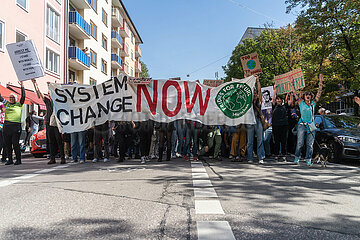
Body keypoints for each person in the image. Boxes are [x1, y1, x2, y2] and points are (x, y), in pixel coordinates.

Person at [291, 74, 324, 166]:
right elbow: (295, 93)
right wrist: (292, 83)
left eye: (309, 95)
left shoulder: (313, 104)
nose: (308, 96)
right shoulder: (300, 103)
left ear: (311, 97)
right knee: (300, 143)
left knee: (310, 144)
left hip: (311, 125)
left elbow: (319, 93)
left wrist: (320, 82)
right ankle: (297, 157)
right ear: (304, 96)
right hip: (301, 124)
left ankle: (308, 159)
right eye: (306, 95)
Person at [32, 79, 65, 164]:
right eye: (49, 94)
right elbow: (39, 94)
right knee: (51, 141)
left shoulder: (58, 101)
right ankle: (52, 158)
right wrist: (35, 84)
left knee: (59, 140)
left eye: (51, 93)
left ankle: (62, 157)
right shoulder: (47, 101)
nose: (50, 95)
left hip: (57, 123)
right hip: (49, 123)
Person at [0, 82, 25, 165]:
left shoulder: (19, 104)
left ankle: (18, 159)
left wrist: (22, 86)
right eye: (10, 97)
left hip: (16, 126)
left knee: (15, 143)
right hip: (6, 126)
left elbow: (23, 96)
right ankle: (10, 159)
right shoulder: (6, 104)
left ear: (16, 98)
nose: (11, 98)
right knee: (7, 144)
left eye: (13, 97)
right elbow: (0, 97)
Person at [245, 76, 266, 164]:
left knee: (260, 140)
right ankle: (250, 158)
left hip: (257, 121)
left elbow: (260, 92)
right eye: (253, 93)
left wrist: (257, 81)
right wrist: (246, 79)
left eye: (255, 93)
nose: (254, 95)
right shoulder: (247, 101)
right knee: (250, 141)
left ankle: (260, 157)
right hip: (250, 121)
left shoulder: (259, 102)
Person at [271, 86, 289, 161]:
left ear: (282, 100)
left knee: (284, 141)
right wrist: (274, 89)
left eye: (279, 99)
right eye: (277, 99)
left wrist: (289, 93)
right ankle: (276, 154)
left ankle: (284, 154)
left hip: (284, 125)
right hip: (276, 125)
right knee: (276, 141)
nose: (278, 100)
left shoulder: (285, 106)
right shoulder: (274, 106)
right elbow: (273, 99)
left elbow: (288, 100)